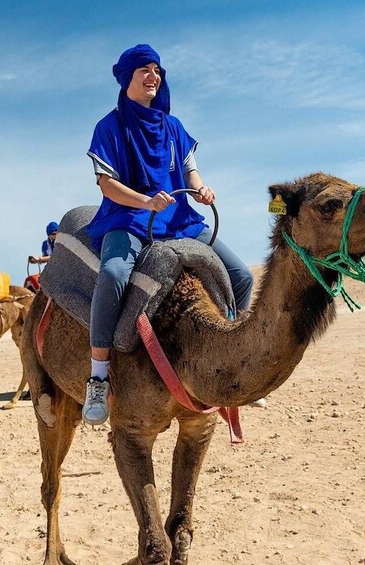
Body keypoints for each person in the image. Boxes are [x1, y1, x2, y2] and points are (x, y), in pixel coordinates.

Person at [83, 44, 254, 425]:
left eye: (157, 70)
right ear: (127, 77)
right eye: (144, 69)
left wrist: (201, 189)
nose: (153, 76)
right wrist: (145, 202)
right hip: (127, 219)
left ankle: (233, 363)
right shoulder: (109, 127)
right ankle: (97, 376)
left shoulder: (173, 127)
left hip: (180, 220)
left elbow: (191, 172)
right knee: (112, 274)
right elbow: (107, 185)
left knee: (242, 276)